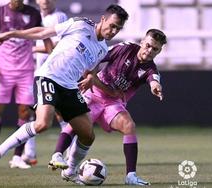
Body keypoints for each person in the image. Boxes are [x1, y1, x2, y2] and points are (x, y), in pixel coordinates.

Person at [0, 4, 129, 184]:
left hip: (69, 87)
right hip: (48, 77)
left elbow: (89, 70)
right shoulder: (80, 25)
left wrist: (90, 77)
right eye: (112, 25)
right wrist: (11, 34)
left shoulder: (103, 49)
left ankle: (70, 171)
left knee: (88, 135)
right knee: (42, 123)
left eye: (118, 29)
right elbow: (43, 33)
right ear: (103, 19)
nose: (113, 31)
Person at [51, 29, 167, 186]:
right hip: (94, 93)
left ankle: (131, 176)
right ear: (142, 42)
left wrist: (156, 86)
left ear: (159, 51)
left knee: (129, 126)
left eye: (155, 49)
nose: (149, 51)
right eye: (148, 45)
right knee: (76, 125)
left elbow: (154, 80)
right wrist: (91, 76)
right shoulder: (124, 48)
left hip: (113, 104)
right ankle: (58, 155)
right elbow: (97, 57)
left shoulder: (150, 68)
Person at [0, 0, 52, 169]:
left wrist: (52, 54)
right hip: (3, 71)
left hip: (25, 72)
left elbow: (44, 34)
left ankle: (17, 157)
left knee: (25, 113)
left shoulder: (33, 13)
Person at [22, 0, 68, 163]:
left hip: (53, 72)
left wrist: (32, 48)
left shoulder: (59, 17)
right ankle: (29, 153)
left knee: (60, 113)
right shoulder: (31, 16)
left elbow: (60, 45)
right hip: (33, 71)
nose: (45, 1)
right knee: (28, 111)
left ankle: (67, 153)